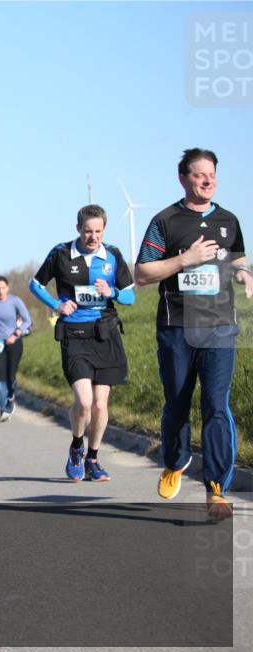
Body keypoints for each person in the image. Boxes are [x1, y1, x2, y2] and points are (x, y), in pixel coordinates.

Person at [135, 148, 251, 521]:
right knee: (177, 403)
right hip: (177, 328)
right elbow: (142, 272)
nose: (208, 180)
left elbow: (236, 259)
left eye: (213, 174)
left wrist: (244, 274)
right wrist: (185, 259)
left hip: (219, 327)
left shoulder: (229, 220)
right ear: (183, 177)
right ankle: (175, 461)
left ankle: (216, 489)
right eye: (200, 175)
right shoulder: (165, 221)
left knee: (216, 406)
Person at [30, 205, 135, 482]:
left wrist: (110, 291)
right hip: (74, 335)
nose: (93, 237)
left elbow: (129, 297)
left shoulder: (112, 255)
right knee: (85, 402)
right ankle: (77, 446)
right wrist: (57, 305)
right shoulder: (61, 254)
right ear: (78, 228)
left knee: (101, 405)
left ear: (104, 230)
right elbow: (35, 285)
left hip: (105, 334)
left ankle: (93, 458)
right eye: (88, 231)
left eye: (98, 231)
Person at [0, 276, 32, 421]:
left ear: (7, 288)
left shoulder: (15, 301)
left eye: (3, 288)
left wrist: (16, 334)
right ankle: (3, 408)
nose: (0, 291)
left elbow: (27, 320)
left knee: (11, 375)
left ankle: (10, 398)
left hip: (13, 342)